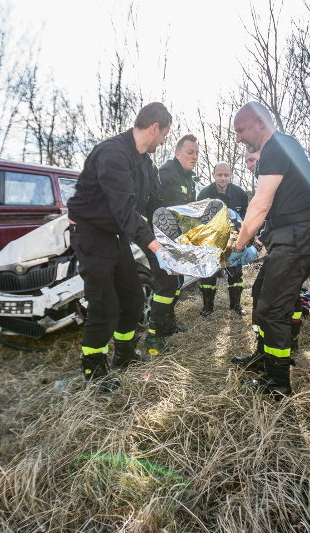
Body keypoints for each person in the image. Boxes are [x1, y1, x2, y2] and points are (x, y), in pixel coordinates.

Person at [229, 102, 310, 398]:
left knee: (272, 309)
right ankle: (264, 358)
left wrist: (238, 245)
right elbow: (273, 208)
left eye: (241, 130)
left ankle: (278, 383)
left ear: (259, 122)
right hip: (296, 235)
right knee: (261, 293)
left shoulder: (276, 147)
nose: (239, 138)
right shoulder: (282, 147)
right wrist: (256, 239)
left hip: (300, 237)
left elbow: (260, 203)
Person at [67, 103, 172, 388]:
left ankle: (123, 356)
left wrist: (173, 236)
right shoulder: (112, 154)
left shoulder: (145, 164)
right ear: (154, 128)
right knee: (105, 305)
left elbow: (153, 205)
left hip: (115, 237)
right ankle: (94, 371)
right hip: (90, 234)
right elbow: (125, 212)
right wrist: (156, 249)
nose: (163, 141)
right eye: (164, 134)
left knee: (132, 298)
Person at [149, 134, 200, 337]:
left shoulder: (189, 178)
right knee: (166, 285)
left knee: (176, 283)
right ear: (177, 153)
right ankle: (155, 334)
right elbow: (171, 211)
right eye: (190, 152)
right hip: (161, 240)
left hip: (177, 240)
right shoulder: (167, 174)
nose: (195, 156)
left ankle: (168, 323)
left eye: (197, 153)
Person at [196, 162, 250, 316]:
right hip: (211, 240)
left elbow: (246, 219)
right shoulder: (204, 194)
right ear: (213, 175)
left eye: (226, 175)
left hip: (233, 240)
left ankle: (236, 304)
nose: (223, 178)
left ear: (231, 175)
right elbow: (199, 220)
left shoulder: (240, 194)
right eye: (219, 175)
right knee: (208, 273)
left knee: (236, 273)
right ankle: (208, 306)